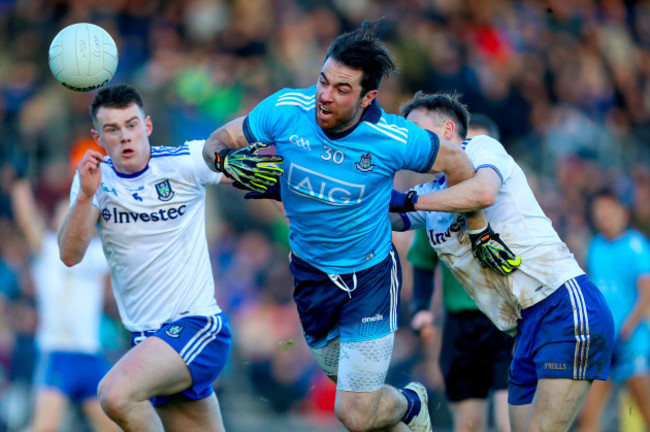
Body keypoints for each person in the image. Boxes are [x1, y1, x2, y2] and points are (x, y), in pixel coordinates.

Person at [202, 20, 517, 432]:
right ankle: (406, 415)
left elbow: (460, 164)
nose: (325, 96)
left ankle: (409, 400)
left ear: (369, 97)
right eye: (323, 82)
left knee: (352, 413)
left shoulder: (394, 138)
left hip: (369, 278)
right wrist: (224, 160)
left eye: (342, 89)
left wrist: (474, 227)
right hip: (311, 277)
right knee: (365, 411)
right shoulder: (284, 110)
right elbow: (214, 143)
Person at [390, 91, 615, 432]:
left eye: (416, 132)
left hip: (562, 305)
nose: (409, 144)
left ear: (448, 130)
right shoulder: (432, 192)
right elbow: (387, 215)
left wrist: (411, 202)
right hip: (524, 324)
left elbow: (482, 193)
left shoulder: (481, 148)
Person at [57, 84, 276, 431]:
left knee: (115, 394)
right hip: (150, 343)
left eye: (131, 125)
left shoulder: (184, 162)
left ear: (148, 126)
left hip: (197, 327)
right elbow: (70, 256)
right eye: (112, 130)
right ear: (97, 138)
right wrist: (85, 197)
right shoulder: (93, 182)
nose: (125, 137)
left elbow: (254, 169)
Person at [407, 113, 513, 432]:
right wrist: (422, 310)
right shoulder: (438, 206)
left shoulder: (510, 201)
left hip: (506, 320)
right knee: (467, 427)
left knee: (508, 422)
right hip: (460, 326)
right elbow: (423, 259)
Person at [11, 175, 119, 432]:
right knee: (45, 427)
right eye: (65, 214)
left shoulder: (95, 254)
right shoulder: (48, 250)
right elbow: (27, 221)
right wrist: (19, 183)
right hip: (57, 352)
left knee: (114, 428)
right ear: (53, 223)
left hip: (90, 353)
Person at [577, 190, 650, 431]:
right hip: (604, 343)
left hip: (631, 342)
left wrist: (628, 327)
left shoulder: (636, 245)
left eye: (608, 209)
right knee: (588, 416)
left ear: (623, 212)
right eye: (598, 209)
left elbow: (646, 292)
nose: (603, 215)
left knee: (645, 411)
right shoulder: (596, 245)